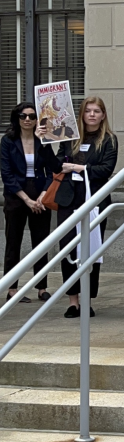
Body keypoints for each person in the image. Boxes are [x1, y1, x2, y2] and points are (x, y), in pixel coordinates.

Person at [41, 97, 118, 318]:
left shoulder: (109, 140)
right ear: (81, 114)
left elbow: (105, 170)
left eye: (97, 111)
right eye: (88, 111)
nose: (92, 115)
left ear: (103, 115)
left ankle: (87, 299)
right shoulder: (69, 136)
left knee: (91, 250)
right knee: (68, 250)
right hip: (68, 200)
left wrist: (78, 168)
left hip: (94, 200)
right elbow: (56, 165)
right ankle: (73, 301)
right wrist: (45, 143)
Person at [1, 103, 53, 303]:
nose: (28, 120)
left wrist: (42, 195)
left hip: (39, 193)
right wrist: (27, 199)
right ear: (17, 118)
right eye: (23, 116)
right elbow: (7, 174)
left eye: (32, 116)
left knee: (41, 242)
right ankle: (12, 288)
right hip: (17, 196)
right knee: (13, 241)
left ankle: (42, 287)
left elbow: (52, 169)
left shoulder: (44, 140)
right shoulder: (8, 141)